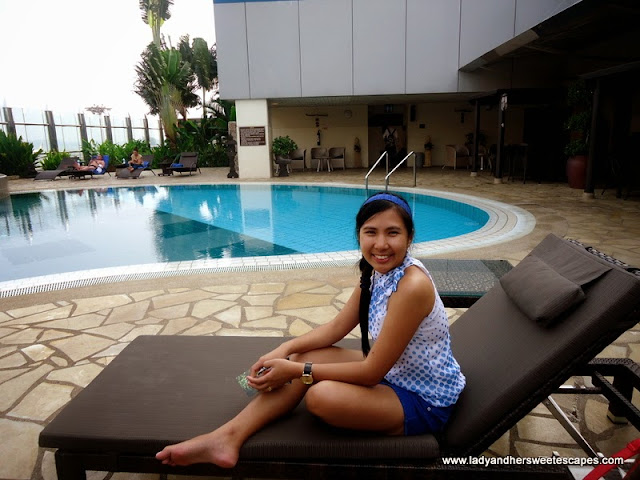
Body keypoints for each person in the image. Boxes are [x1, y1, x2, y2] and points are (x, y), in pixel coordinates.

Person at [155, 192, 466, 469]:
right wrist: (286, 349)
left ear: (409, 237)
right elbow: (335, 328)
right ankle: (227, 437)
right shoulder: (376, 273)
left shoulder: (412, 286)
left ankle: (231, 435)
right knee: (308, 353)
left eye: (393, 233)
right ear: (359, 235)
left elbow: (371, 372)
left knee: (321, 397)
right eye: (371, 232)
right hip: (394, 373)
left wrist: (295, 369)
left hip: (423, 398)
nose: (381, 244)